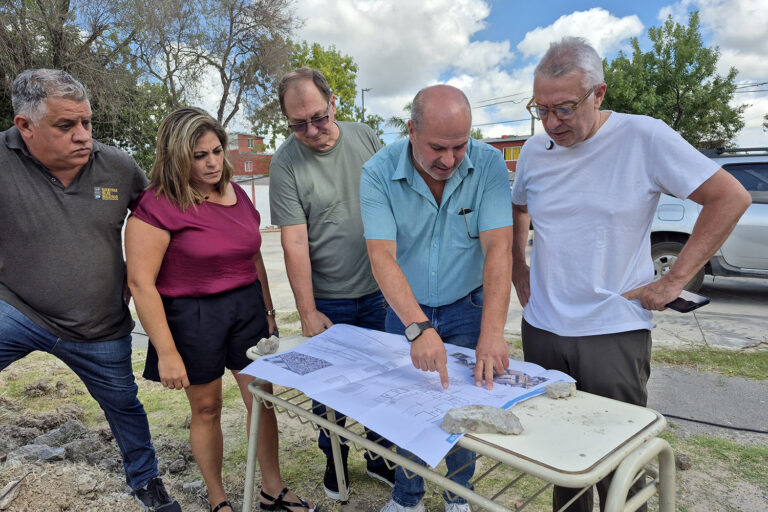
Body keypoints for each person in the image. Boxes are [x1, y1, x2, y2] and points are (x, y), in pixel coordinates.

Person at [510, 37, 751, 512]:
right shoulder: (536, 151)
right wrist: (520, 266)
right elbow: (519, 207)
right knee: (561, 455)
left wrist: (673, 280)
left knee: (621, 460)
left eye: (564, 108)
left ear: (599, 94)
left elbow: (730, 197)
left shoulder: (644, 137)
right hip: (542, 327)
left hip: (612, 330)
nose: (552, 123)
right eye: (541, 109)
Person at [0, 69, 181, 512]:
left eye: (87, 122)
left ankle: (146, 481)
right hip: (16, 310)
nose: (83, 136)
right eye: (66, 126)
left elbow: (163, 222)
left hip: (98, 323)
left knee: (124, 405)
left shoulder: (117, 166)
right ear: (25, 126)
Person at [126, 107, 318, 512]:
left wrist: (267, 310)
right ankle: (219, 500)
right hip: (191, 316)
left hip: (246, 308)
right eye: (200, 155)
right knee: (207, 408)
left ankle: (272, 491)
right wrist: (168, 352)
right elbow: (141, 283)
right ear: (176, 157)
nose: (213, 162)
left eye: (217, 151)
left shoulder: (239, 194)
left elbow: (253, 258)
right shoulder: (156, 205)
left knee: (263, 400)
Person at [360, 84, 514, 512]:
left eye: (459, 146)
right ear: (411, 130)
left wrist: (493, 332)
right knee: (409, 408)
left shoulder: (488, 165)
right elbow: (381, 255)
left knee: (466, 402)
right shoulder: (377, 172)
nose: (448, 160)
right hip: (405, 308)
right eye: (437, 148)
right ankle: (406, 497)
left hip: (469, 305)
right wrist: (417, 326)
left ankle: (457, 495)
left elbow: (499, 250)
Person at [268, 67, 394, 499]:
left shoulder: (366, 137)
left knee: (382, 379)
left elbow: (393, 205)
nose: (312, 130)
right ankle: (334, 456)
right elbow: (295, 240)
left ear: (334, 102)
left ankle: (379, 453)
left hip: (381, 291)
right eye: (298, 123)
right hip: (328, 298)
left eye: (319, 117)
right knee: (329, 388)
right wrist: (306, 310)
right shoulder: (285, 161)